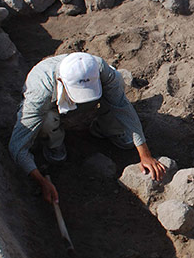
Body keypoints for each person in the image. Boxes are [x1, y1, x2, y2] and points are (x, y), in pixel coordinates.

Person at [9, 52, 165, 203]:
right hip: (50, 106)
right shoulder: (39, 91)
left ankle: (105, 129)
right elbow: (18, 147)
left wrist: (145, 153)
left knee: (116, 86)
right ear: (61, 81)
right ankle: (54, 144)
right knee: (48, 121)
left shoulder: (100, 69)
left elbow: (122, 106)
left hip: (84, 100)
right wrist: (41, 181)